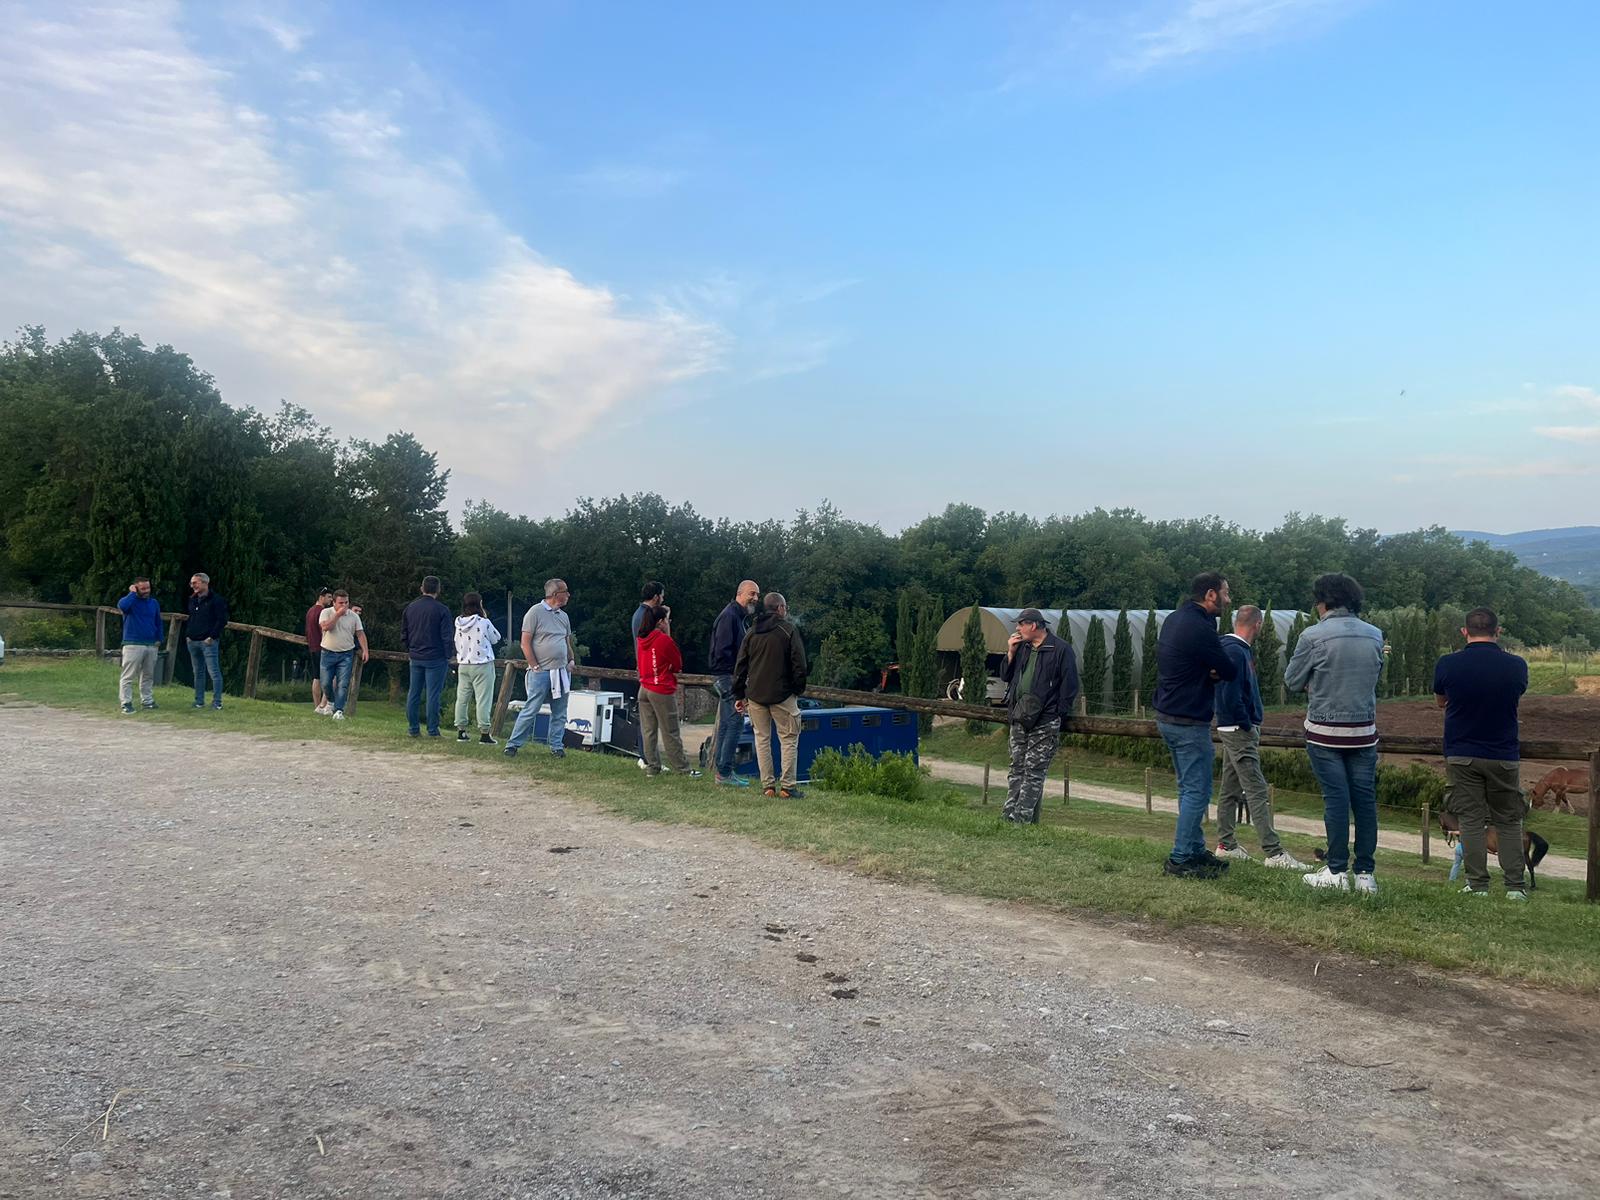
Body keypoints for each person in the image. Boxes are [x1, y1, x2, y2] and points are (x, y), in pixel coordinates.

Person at [1284, 573, 1386, 895]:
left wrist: (1315, 683)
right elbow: (1376, 674)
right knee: (1365, 801)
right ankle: (1366, 874)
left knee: (1336, 800)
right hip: (1364, 732)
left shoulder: (1312, 636)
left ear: (1323, 602)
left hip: (1325, 732)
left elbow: (1292, 680)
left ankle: (1337, 870)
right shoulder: (1374, 635)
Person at [1433, 607, 1530, 899]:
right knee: (1509, 820)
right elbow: (1515, 696)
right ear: (1497, 631)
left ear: (1465, 631)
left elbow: (1441, 701)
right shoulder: (1516, 665)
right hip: (1503, 753)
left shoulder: (1448, 664)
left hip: (1461, 752)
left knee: (1471, 820)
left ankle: (1477, 885)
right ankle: (1515, 887)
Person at [1153, 572, 1239, 878]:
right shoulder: (1201, 627)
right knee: (1197, 792)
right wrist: (1212, 671)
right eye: (1225, 593)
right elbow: (1228, 669)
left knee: (1187, 789)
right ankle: (1180, 859)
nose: (1228, 599)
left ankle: (1193, 849)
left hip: (1167, 714)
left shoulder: (1174, 619)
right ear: (1210, 595)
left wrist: (1207, 670)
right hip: (1188, 719)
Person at [1213, 606, 1308, 869]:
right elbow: (1230, 695)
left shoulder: (1234, 649)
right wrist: (1246, 723)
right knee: (1256, 789)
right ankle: (1274, 853)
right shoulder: (1235, 651)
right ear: (1258, 624)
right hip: (1238, 730)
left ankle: (1226, 845)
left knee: (1229, 788)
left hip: (1231, 728)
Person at [998, 609, 1079, 824]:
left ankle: (1021, 821)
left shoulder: (1060, 649)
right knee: (1016, 768)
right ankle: (1008, 817)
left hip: (1045, 720)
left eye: (1021, 624)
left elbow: (1070, 685)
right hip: (1019, 716)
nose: (1017, 628)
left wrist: (1056, 713)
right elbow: (1006, 676)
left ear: (1033, 625)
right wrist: (1010, 652)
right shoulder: (1022, 647)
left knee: (1033, 771)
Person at [733, 592, 808, 798]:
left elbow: (741, 666)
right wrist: (797, 689)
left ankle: (768, 786)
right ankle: (787, 787)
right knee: (789, 739)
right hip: (782, 694)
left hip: (755, 694)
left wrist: (739, 694)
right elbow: (800, 665)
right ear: (780, 608)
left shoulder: (752, 632)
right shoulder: (788, 630)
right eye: (785, 607)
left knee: (762, 740)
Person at [504, 578, 577, 759]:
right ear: (555, 594)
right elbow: (525, 642)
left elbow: (566, 641)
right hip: (541, 671)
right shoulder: (535, 612)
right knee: (531, 709)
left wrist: (571, 659)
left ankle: (556, 746)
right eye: (565, 592)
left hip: (561, 670)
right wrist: (534, 665)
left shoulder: (563, 616)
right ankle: (513, 744)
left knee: (560, 711)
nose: (568, 595)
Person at [635, 604, 702, 778]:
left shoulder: (641, 639)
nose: (668, 623)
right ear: (660, 622)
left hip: (644, 687)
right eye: (667, 620)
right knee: (670, 731)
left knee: (648, 731)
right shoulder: (663, 640)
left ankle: (652, 767)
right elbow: (677, 663)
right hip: (661, 688)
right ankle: (682, 769)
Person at [708, 579, 760, 786]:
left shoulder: (737, 617)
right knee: (736, 723)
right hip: (727, 676)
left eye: (757, 595)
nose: (755, 598)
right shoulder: (729, 617)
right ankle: (724, 773)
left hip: (727, 675)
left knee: (726, 723)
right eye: (752, 593)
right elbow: (722, 650)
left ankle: (722, 770)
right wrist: (736, 675)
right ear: (739, 594)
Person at [401, 576, 453, 738]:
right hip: (436, 657)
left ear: (421, 588)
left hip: (416, 655)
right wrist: (448, 655)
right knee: (433, 695)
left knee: (413, 693)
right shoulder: (442, 610)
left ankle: (413, 728)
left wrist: (410, 649)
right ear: (438, 589)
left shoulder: (410, 608)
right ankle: (432, 730)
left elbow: (404, 633)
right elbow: (446, 636)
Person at [453, 592, 502, 744]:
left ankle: (461, 730)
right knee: (483, 699)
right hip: (482, 664)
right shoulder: (483, 622)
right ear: (480, 604)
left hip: (464, 664)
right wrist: (485, 617)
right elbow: (496, 638)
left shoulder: (458, 623)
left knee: (462, 698)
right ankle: (484, 733)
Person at [317, 590, 369, 720]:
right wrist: (337, 615)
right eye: (341, 603)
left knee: (343, 683)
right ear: (334, 603)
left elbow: (360, 633)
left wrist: (365, 650)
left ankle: (339, 710)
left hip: (346, 654)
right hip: (328, 652)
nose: (344, 605)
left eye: (346, 602)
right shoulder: (326, 612)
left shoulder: (354, 616)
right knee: (325, 682)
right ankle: (330, 701)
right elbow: (325, 627)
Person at [116, 577, 163, 714]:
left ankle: (147, 700)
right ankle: (126, 702)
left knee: (148, 675)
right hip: (133, 643)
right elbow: (123, 607)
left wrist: (159, 638)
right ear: (136, 588)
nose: (146, 591)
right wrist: (132, 594)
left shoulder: (153, 603)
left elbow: (157, 621)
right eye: (143, 588)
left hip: (151, 644)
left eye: (148, 588)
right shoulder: (129, 601)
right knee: (128, 675)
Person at [185, 572, 229, 710]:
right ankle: (199, 701)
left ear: (205, 583)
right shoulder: (192, 599)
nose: (193, 586)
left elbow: (222, 620)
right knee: (198, 672)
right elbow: (191, 617)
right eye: (191, 583)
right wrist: (188, 635)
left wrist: (212, 636)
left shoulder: (216, 600)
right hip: (193, 641)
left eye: (195, 583)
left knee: (213, 672)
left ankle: (217, 702)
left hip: (208, 642)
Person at [306, 587, 333, 714]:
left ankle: (317, 706)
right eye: (329, 597)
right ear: (321, 597)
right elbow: (323, 629)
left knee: (316, 677)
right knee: (329, 677)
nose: (331, 600)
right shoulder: (322, 611)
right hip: (322, 647)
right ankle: (323, 706)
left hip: (312, 646)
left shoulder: (310, 611)